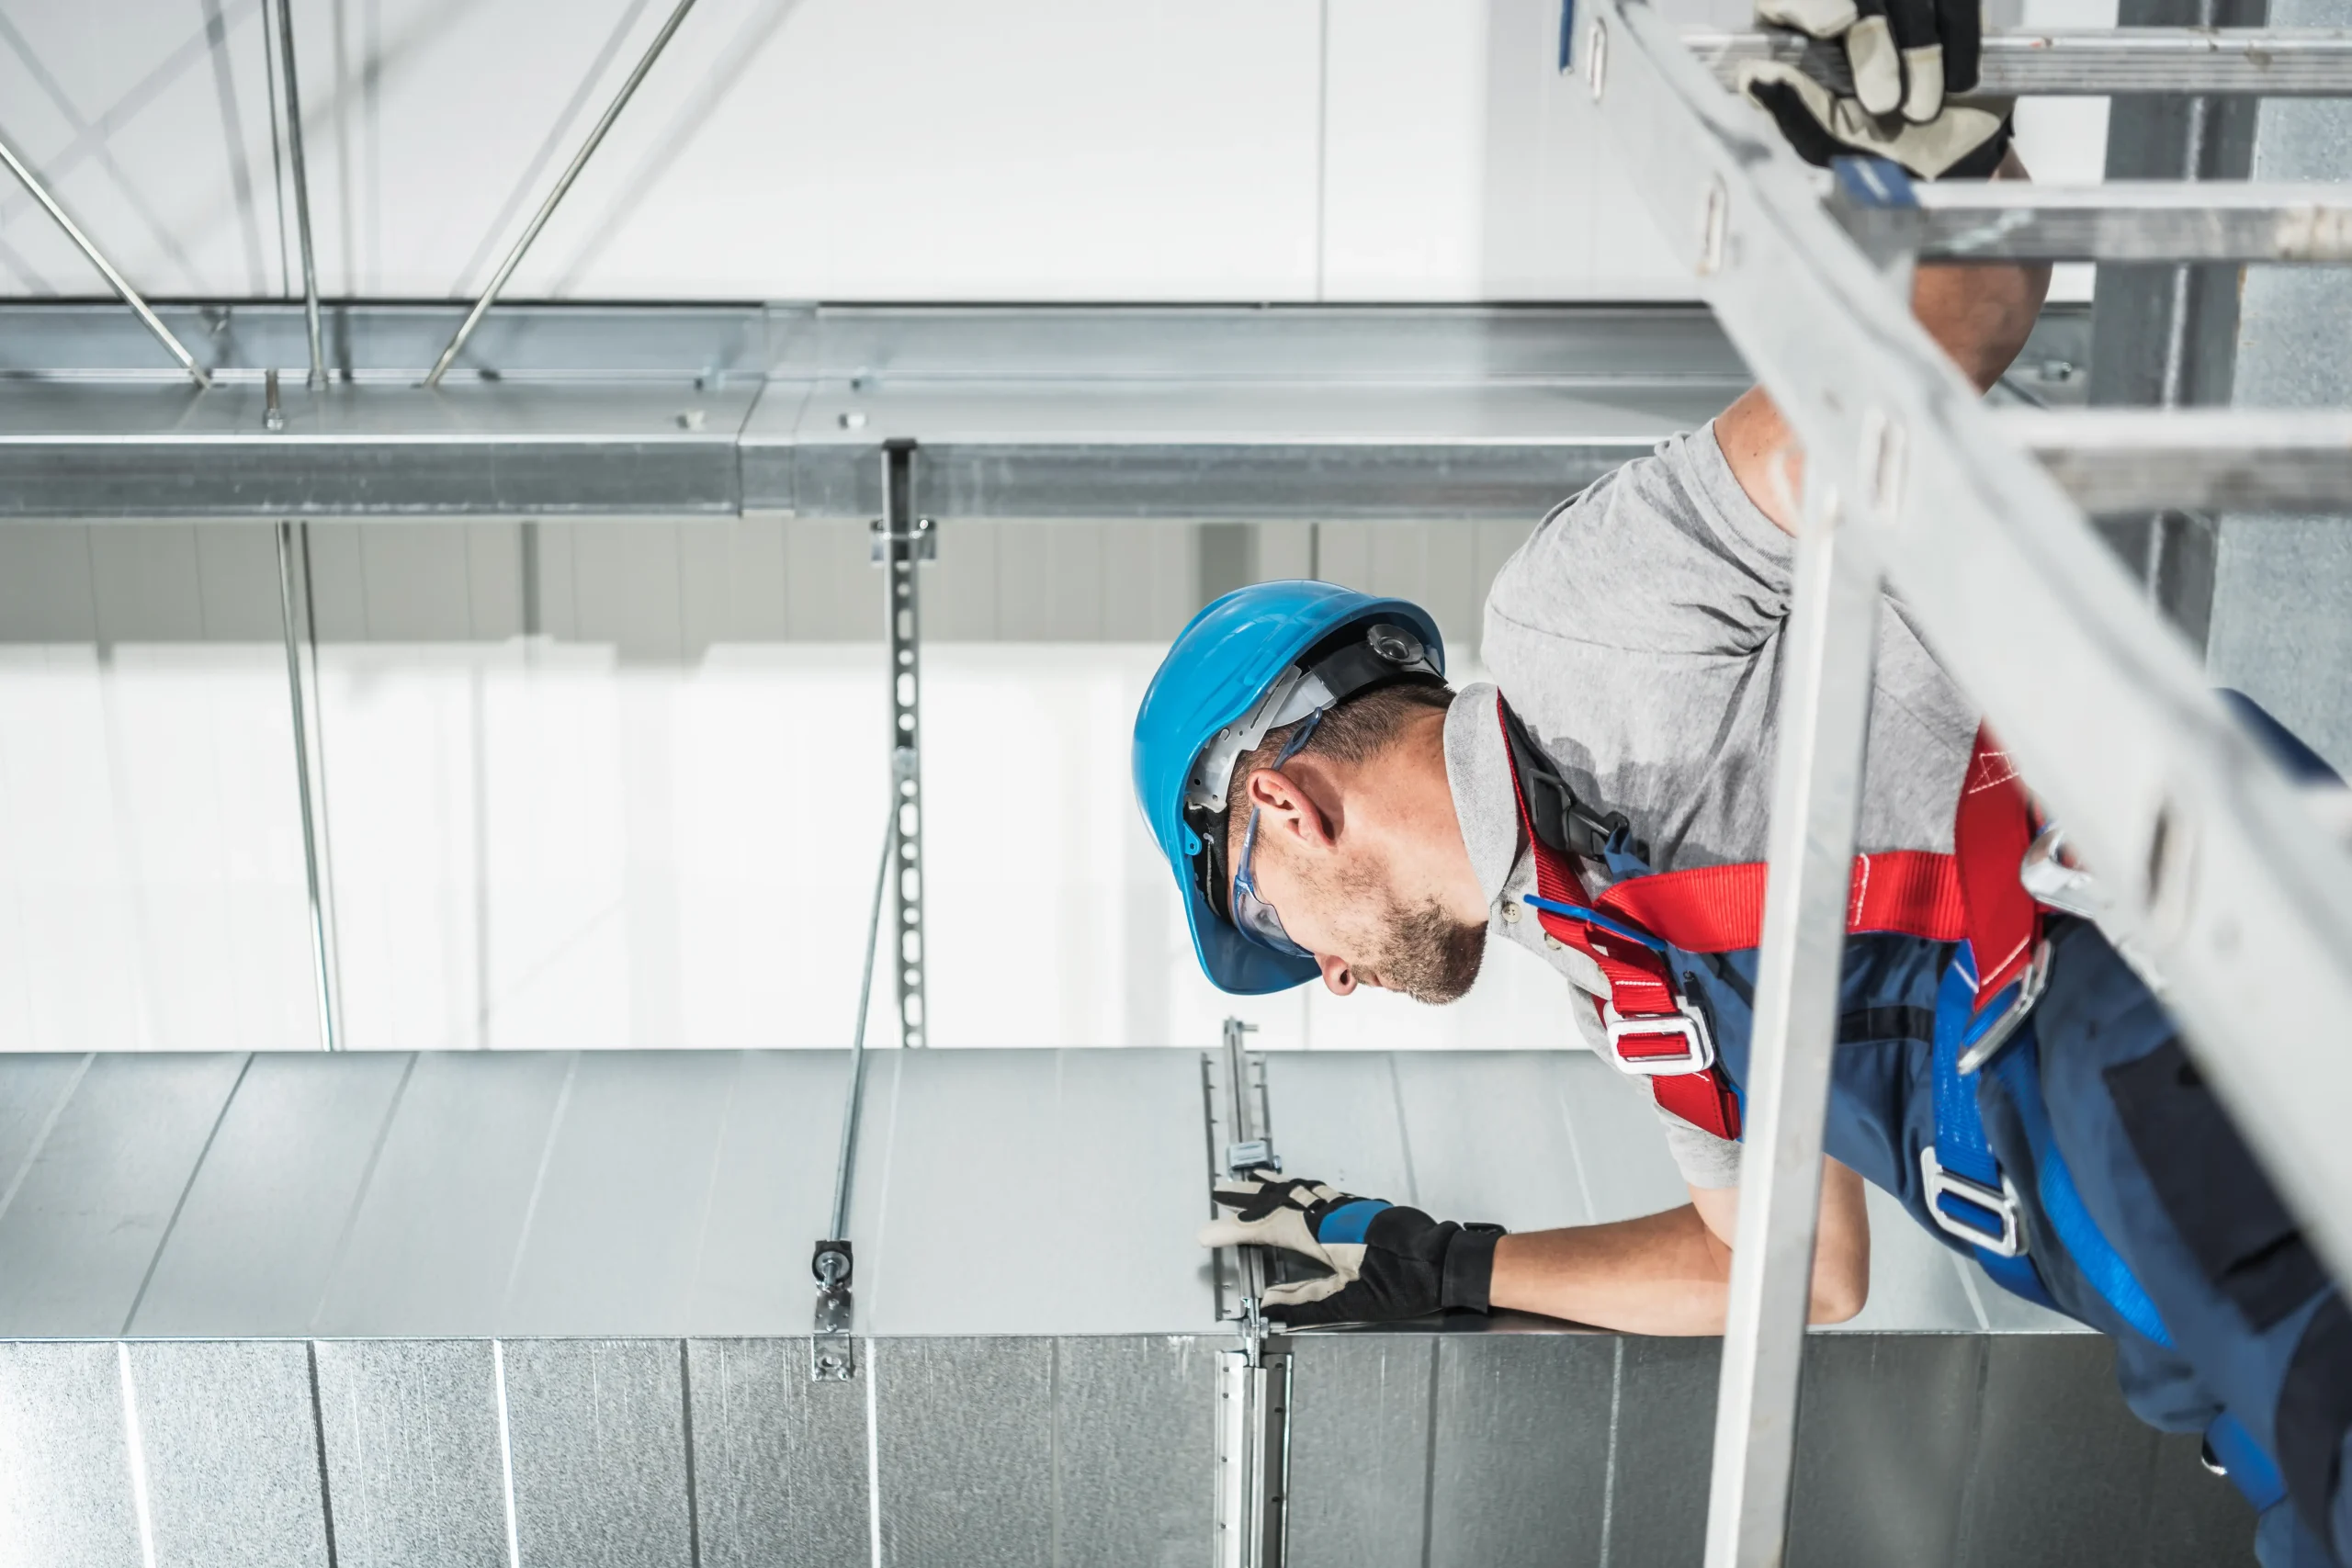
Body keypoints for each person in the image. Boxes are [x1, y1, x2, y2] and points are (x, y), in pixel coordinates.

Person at [1128, 19, 2352, 1567]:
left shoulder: (1567, 629)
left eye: (1278, 929)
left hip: (2148, 1014)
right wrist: (1449, 1264)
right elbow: (1790, 1265)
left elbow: (1937, 354)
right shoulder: (1613, 980)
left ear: (1285, 809)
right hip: (2135, 1259)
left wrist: (1942, 182)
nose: (1331, 974)